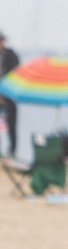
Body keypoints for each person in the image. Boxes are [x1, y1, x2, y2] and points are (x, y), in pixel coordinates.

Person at [0, 30, 19, 158]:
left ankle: (12, 151)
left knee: (11, 124)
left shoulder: (11, 55)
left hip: (9, 94)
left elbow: (16, 72)